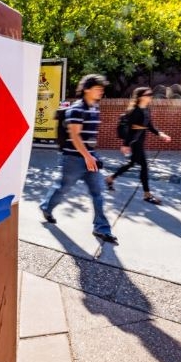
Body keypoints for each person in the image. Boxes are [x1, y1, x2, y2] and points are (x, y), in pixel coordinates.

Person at [40, 74, 117, 244]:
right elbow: (75, 136)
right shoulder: (76, 109)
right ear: (86, 89)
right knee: (62, 188)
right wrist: (88, 156)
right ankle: (46, 207)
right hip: (73, 159)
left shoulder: (94, 108)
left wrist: (92, 155)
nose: (101, 92)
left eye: (101, 89)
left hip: (90, 157)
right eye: (97, 89)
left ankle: (101, 228)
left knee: (98, 193)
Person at [106, 87, 172, 204]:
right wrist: (125, 144)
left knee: (132, 163)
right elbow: (130, 129)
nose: (150, 96)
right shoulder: (135, 111)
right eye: (148, 94)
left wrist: (161, 134)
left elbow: (150, 126)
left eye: (151, 94)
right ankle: (147, 194)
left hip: (140, 141)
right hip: (135, 142)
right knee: (144, 166)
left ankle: (111, 178)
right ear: (141, 96)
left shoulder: (147, 109)